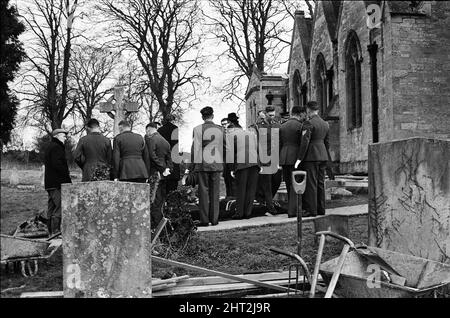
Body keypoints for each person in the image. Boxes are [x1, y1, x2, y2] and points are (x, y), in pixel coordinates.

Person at [187, 107, 224, 226]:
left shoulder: (198, 129)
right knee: (215, 192)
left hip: (203, 163)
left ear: (203, 117)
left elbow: (195, 149)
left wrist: (191, 166)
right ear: (212, 116)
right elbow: (226, 148)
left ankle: (204, 219)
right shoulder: (221, 129)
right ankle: (214, 219)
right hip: (216, 163)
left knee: (203, 192)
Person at [295, 101, 331, 217]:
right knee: (321, 182)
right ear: (318, 110)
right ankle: (321, 209)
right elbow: (327, 142)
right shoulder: (325, 124)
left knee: (311, 183)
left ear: (308, 111)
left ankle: (312, 210)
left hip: (311, 156)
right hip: (322, 155)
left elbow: (305, 142)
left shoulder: (308, 123)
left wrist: (300, 158)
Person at [227, 124, 260, 219]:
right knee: (251, 189)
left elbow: (230, 153)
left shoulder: (231, 135)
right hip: (254, 162)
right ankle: (248, 213)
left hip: (241, 163)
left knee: (241, 189)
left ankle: (239, 213)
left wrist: (232, 168)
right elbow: (257, 149)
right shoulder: (251, 134)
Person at [279, 106, 307, 217]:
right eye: (303, 114)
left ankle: (291, 209)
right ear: (300, 114)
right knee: (297, 184)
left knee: (288, 184)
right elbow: (302, 144)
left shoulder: (283, 126)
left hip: (284, 157)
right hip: (295, 157)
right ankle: (293, 211)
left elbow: (279, 144)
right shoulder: (300, 126)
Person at [250, 108, 278, 215]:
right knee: (267, 183)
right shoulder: (258, 126)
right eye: (270, 115)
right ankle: (270, 207)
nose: (272, 117)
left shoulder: (276, 124)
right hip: (264, 158)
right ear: (265, 115)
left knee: (276, 181)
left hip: (275, 158)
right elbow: (256, 144)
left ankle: (265, 201)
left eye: (273, 115)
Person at [145, 122, 173, 228]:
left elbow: (152, 156)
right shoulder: (165, 141)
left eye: (147, 131)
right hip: (164, 173)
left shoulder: (152, 140)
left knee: (154, 199)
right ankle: (161, 222)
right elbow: (169, 158)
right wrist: (168, 169)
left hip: (155, 171)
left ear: (149, 129)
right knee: (160, 199)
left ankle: (156, 223)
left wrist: (161, 168)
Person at [44, 129, 72, 235]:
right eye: (63, 136)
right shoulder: (57, 147)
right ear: (57, 136)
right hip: (56, 183)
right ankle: (55, 232)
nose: (65, 138)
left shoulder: (50, 146)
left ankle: (50, 232)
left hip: (50, 183)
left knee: (51, 207)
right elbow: (58, 165)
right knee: (60, 206)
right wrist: (67, 180)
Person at [158, 115, 181, 193]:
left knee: (163, 183)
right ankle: (171, 201)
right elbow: (175, 144)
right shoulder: (175, 128)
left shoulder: (160, 130)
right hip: (172, 155)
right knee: (172, 182)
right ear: (173, 120)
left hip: (162, 156)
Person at [220, 117, 235, 197]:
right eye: (222, 125)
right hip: (225, 163)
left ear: (229, 124)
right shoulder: (222, 136)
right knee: (227, 183)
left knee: (234, 184)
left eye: (225, 124)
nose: (224, 126)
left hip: (234, 163)